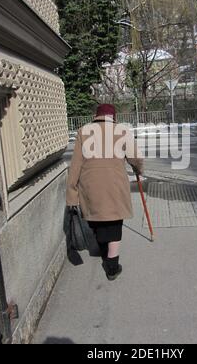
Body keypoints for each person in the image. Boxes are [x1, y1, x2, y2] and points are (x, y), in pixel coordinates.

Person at [66, 104, 144, 281]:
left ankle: (103, 253)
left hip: (90, 187)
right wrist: (138, 169)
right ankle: (112, 267)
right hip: (115, 186)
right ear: (113, 117)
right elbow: (136, 157)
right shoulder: (122, 130)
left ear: (96, 116)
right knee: (114, 225)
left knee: (97, 222)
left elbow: (76, 165)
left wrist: (72, 193)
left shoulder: (83, 131)